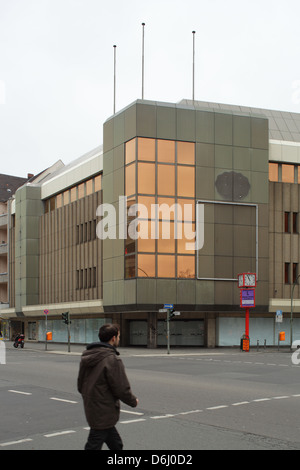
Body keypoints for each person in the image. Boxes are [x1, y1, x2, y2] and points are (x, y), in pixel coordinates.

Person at [77, 323, 138, 450]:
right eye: (119, 336)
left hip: (92, 406)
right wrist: (133, 401)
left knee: (116, 444)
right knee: (94, 444)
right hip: (104, 409)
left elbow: (80, 383)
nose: (119, 339)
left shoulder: (87, 355)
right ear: (113, 338)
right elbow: (121, 387)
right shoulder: (112, 359)